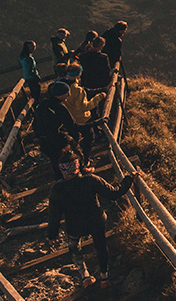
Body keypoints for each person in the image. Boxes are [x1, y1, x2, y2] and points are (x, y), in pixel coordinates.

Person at [48, 150, 134, 287]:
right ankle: (104, 277)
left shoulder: (57, 189)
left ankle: (85, 276)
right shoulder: (91, 180)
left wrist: (52, 233)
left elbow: (54, 214)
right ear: (78, 166)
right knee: (101, 246)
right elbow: (114, 193)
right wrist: (129, 179)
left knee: (74, 248)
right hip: (95, 221)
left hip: (74, 225)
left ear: (62, 170)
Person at [33, 82, 81, 178]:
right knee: (69, 156)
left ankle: (59, 180)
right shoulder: (59, 107)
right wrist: (76, 138)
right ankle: (76, 175)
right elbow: (71, 125)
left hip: (44, 140)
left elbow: (35, 123)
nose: (69, 94)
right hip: (58, 139)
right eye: (67, 93)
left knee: (55, 161)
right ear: (60, 95)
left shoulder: (42, 104)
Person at [62, 62, 108, 153]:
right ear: (79, 74)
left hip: (68, 119)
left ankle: (75, 157)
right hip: (82, 119)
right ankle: (85, 160)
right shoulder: (78, 90)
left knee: (73, 140)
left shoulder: (62, 85)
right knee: (88, 139)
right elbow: (84, 107)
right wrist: (99, 97)